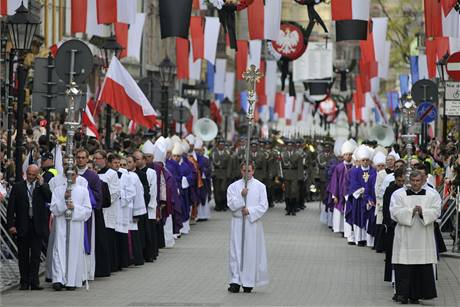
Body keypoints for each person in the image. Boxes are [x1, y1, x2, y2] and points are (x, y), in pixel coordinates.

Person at [390, 171, 441, 304]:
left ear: (423, 180)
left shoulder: (432, 194)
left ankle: (419, 294)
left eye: (418, 181)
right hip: (405, 234)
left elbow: (437, 211)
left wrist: (423, 212)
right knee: (404, 266)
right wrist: (410, 212)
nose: (415, 183)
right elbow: (394, 211)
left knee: (421, 266)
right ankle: (402, 294)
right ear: (409, 181)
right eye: (413, 181)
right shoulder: (398, 194)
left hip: (423, 235)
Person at [7, 164, 52, 290]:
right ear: (26, 173)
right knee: (23, 255)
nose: (31, 177)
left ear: (38, 174)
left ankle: (34, 281)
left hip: (37, 225)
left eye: (34, 175)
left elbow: (50, 198)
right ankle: (24, 282)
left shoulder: (41, 186)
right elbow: (11, 208)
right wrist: (11, 225)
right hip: (22, 225)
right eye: (29, 174)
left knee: (36, 256)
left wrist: (42, 184)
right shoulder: (18, 187)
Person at [227, 161, 269, 293]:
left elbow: (264, 205)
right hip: (238, 223)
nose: (246, 173)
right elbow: (231, 204)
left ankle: (248, 281)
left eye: (249, 171)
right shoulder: (233, 187)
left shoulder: (260, 186)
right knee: (236, 252)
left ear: (253, 171)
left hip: (252, 224)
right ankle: (235, 280)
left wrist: (250, 211)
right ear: (241, 171)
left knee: (250, 253)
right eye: (244, 170)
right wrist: (241, 196)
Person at [50, 167, 92, 291]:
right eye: (68, 175)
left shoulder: (83, 191)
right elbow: (54, 209)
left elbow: (88, 211)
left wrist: (74, 208)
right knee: (59, 250)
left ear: (76, 175)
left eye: (73, 174)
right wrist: (64, 200)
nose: (70, 177)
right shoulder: (58, 190)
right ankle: (58, 279)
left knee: (74, 251)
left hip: (75, 226)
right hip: (61, 225)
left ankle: (71, 280)